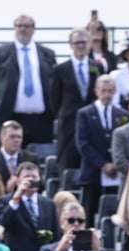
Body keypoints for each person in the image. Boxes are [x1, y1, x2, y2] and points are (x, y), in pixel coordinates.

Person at [0, 15, 56, 147]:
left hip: (41, 120)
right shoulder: (1, 52)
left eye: (27, 26)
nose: (22, 29)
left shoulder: (47, 54)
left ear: (33, 29)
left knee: (38, 161)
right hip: (11, 117)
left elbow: (55, 84)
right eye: (19, 26)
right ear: (14, 29)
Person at [75, 75, 128, 227]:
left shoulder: (122, 115)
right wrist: (102, 164)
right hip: (93, 172)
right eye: (103, 91)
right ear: (96, 91)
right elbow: (83, 143)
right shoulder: (84, 113)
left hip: (116, 172)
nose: (107, 95)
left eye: (110, 91)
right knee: (88, 214)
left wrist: (116, 164)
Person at [51, 29, 100, 175]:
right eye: (77, 43)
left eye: (84, 42)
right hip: (68, 125)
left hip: (92, 123)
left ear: (90, 44)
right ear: (71, 45)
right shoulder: (60, 69)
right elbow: (54, 99)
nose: (81, 46)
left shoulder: (97, 67)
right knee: (68, 162)